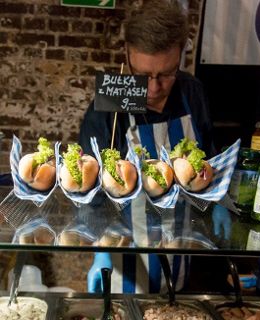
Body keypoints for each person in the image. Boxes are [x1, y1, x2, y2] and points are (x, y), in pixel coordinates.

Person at [79, 0, 229, 294]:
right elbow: (88, 191)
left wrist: (220, 201)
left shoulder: (192, 93)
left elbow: (210, 159)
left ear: (180, 58)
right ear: (127, 55)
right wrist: (101, 251)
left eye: (166, 73)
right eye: (144, 75)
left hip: (182, 253)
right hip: (124, 258)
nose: (154, 88)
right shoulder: (108, 106)